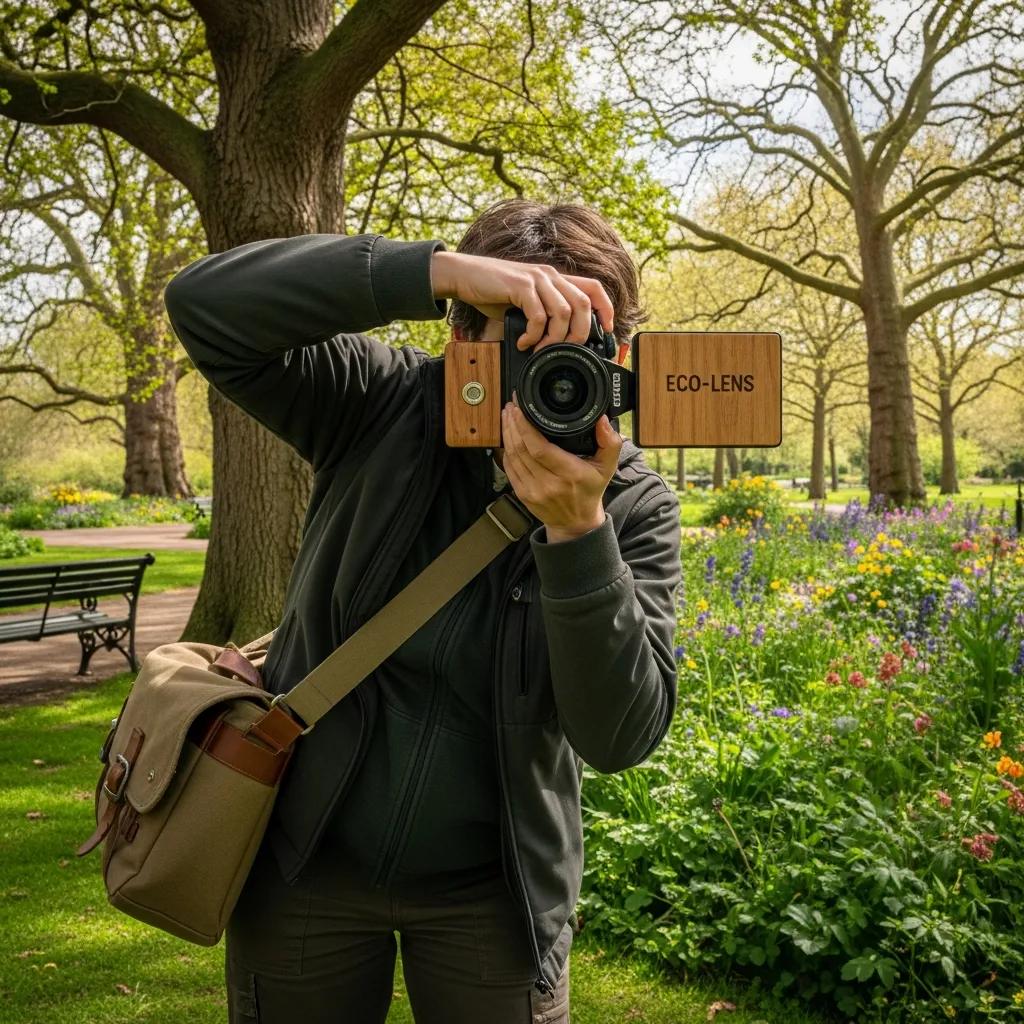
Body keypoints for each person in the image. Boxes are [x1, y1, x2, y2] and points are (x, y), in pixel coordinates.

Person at [163, 198, 683, 1024]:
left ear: (615, 356)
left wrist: (578, 532)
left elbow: (620, 737)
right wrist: (433, 269)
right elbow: (204, 307)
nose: (537, 368)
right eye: (512, 331)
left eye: (573, 340)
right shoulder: (378, 403)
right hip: (307, 866)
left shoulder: (629, 505)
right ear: (459, 335)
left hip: (498, 894)